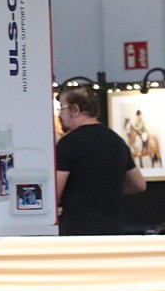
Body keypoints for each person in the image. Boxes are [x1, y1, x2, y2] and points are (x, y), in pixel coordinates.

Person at [56, 86, 146, 235]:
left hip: (78, 231)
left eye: (62, 108)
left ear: (75, 109)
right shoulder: (117, 141)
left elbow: (56, 192)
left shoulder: (68, 143)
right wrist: (108, 191)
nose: (60, 115)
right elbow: (139, 185)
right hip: (113, 229)